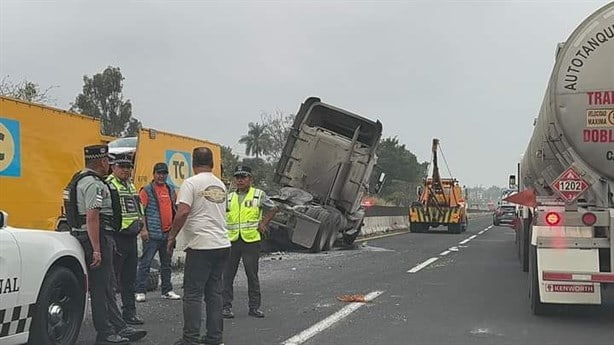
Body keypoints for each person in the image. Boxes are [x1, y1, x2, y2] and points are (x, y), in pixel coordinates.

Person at [64, 145, 146, 345]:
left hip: (96, 236)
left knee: (109, 285)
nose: (109, 164)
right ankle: (106, 332)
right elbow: (93, 217)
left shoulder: (80, 179)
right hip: (97, 237)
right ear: (102, 161)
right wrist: (97, 249)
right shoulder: (94, 184)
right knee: (101, 288)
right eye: (107, 161)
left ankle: (118, 326)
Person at [167, 147, 230, 345]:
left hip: (201, 246)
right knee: (214, 293)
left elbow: (183, 211)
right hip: (222, 244)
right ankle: (214, 337)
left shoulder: (191, 183)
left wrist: (172, 236)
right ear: (212, 164)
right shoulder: (220, 185)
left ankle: (190, 338)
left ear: (193, 164)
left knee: (193, 293)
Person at [222, 165, 277, 319]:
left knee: (252, 275)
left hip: (251, 240)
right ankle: (225, 307)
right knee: (227, 275)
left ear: (250, 179)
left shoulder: (258, 194)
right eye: (237, 177)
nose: (240, 180)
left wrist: (264, 223)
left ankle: (254, 307)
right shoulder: (229, 196)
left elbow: (273, 208)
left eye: (243, 177)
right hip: (232, 240)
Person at [106, 152, 145, 325]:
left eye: (128, 167)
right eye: (122, 167)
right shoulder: (108, 185)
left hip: (131, 238)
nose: (126, 170)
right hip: (117, 237)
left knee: (129, 279)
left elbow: (139, 208)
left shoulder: (131, 185)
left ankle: (129, 313)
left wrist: (143, 226)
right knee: (113, 280)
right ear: (113, 167)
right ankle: (111, 316)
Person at [135, 162, 181, 302]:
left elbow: (175, 209)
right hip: (152, 234)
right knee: (145, 263)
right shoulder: (147, 190)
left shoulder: (170, 189)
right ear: (154, 174)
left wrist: (174, 232)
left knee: (166, 264)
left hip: (167, 234)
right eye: (159, 173)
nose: (161, 176)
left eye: (164, 173)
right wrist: (143, 229)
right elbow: (140, 211)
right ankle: (140, 291)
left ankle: (167, 290)